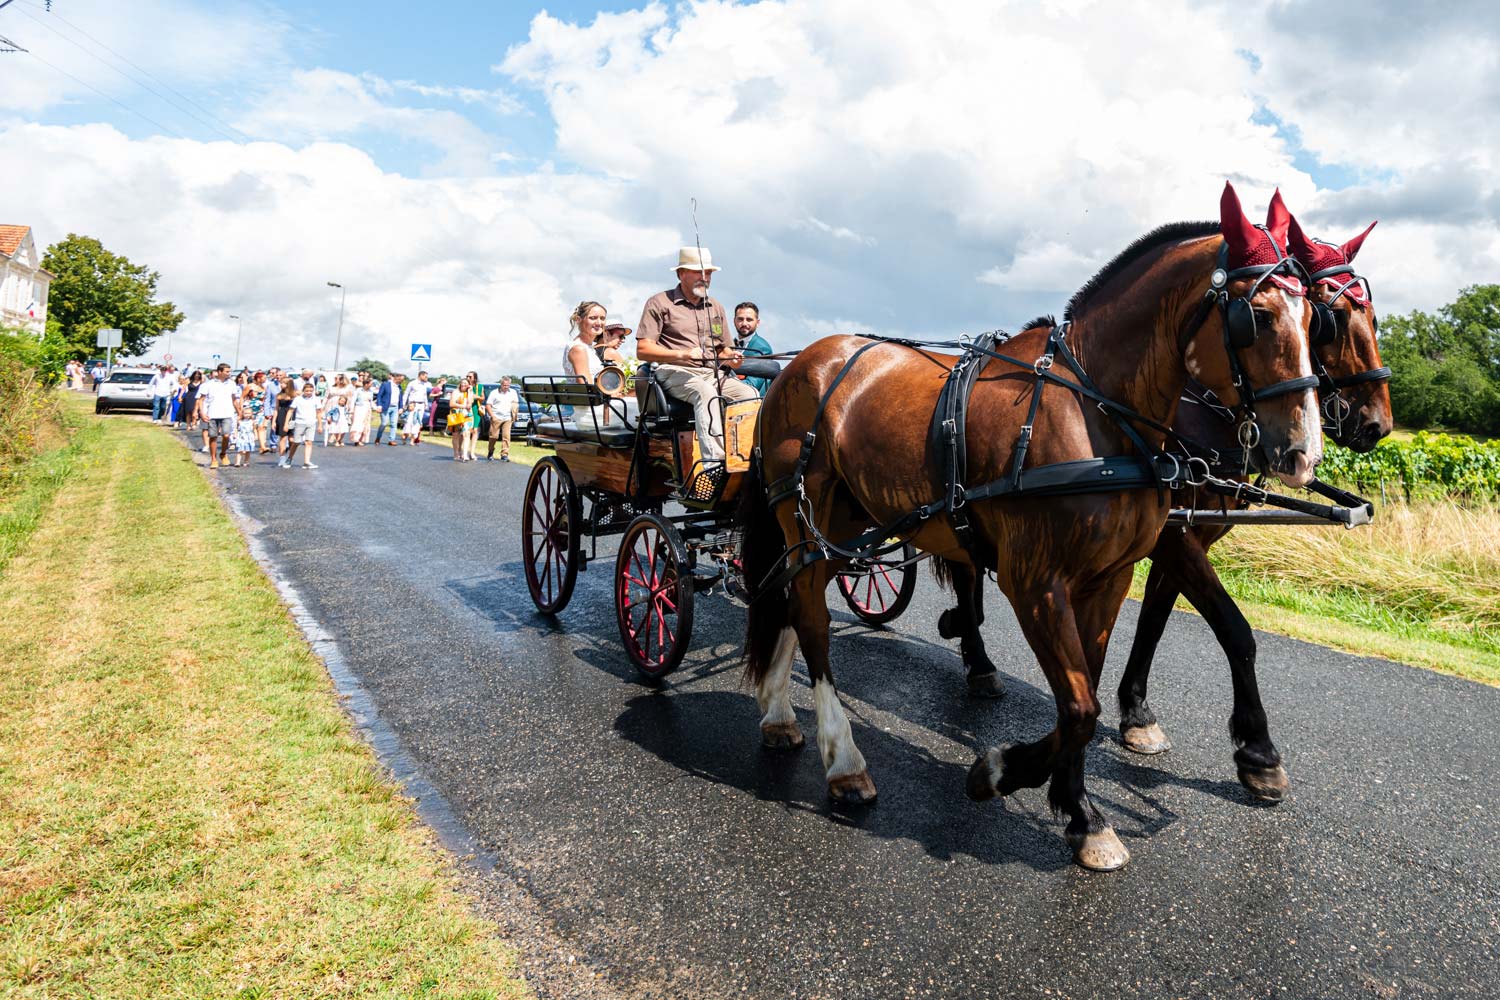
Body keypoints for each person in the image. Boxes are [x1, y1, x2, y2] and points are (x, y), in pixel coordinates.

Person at [635, 246, 757, 468]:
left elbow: (722, 350)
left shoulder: (715, 307)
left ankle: (744, 457)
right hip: (672, 371)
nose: (706, 278)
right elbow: (643, 349)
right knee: (705, 392)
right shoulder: (660, 303)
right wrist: (682, 353)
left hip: (710, 372)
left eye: (709, 273)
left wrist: (732, 358)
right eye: (699, 273)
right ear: (681, 273)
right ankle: (714, 464)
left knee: (749, 393)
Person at [564, 301, 608, 426]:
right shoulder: (579, 349)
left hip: (595, 406)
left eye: (602, 318)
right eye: (593, 318)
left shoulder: (588, 348)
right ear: (579, 319)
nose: (599, 323)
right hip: (590, 412)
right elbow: (587, 388)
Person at [197, 363, 243, 470]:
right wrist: (202, 413)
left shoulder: (231, 384)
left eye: (229, 371)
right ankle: (213, 459)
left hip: (227, 413)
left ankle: (223, 453)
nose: (229, 373)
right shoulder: (209, 384)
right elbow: (201, 400)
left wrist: (239, 412)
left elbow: (234, 399)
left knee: (226, 435)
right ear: (219, 372)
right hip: (212, 414)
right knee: (213, 436)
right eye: (227, 371)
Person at [731, 302, 774, 397]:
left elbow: (752, 384)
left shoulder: (762, 348)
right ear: (734, 321)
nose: (744, 323)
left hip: (750, 402)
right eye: (740, 319)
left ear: (757, 323)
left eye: (749, 320)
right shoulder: (729, 345)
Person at [281, 381, 322, 469]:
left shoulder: (316, 399)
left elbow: (319, 412)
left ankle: (306, 462)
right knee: (296, 442)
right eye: (307, 391)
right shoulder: (298, 399)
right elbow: (290, 411)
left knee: (309, 442)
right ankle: (289, 458)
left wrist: (320, 425)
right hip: (300, 423)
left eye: (311, 391)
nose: (309, 393)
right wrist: (286, 424)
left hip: (311, 423)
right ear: (303, 390)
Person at [485, 375, 521, 462]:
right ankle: (490, 452)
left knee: (506, 437)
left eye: (508, 385)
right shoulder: (494, 392)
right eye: (504, 385)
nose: (506, 387)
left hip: (508, 418)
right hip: (496, 417)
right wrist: (492, 416)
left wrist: (515, 415)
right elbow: (488, 405)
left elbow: (515, 404)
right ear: (501, 384)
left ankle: (504, 454)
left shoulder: (513, 392)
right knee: (493, 436)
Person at [446, 377, 475, 460]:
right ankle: (456, 453)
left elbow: (469, 404)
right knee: (456, 435)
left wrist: (469, 391)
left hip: (467, 416)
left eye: (465, 383)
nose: (463, 385)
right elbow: (451, 404)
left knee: (467, 434)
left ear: (469, 385)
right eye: (462, 383)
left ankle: (465, 454)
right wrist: (463, 406)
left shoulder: (470, 393)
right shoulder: (456, 392)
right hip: (457, 415)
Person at [404, 371, 433, 444]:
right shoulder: (412, 383)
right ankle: (405, 434)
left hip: (421, 405)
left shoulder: (424, 385)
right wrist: (404, 405)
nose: (427, 378)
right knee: (409, 420)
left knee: (418, 422)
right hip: (413, 403)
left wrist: (426, 405)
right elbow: (406, 394)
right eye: (425, 376)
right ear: (421, 376)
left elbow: (424, 396)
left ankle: (413, 439)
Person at [373, 372, 402, 445]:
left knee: (394, 424)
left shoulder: (399, 387)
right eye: (401, 379)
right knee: (384, 423)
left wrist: (401, 407)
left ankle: (391, 440)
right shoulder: (386, 384)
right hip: (386, 407)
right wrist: (379, 405)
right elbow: (379, 395)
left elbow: (400, 398)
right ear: (396, 378)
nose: (402, 381)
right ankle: (378, 437)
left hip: (395, 407)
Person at [324, 374, 351, 446]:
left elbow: (349, 397)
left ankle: (339, 439)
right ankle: (333, 436)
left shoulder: (346, 388)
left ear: (341, 380)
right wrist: (322, 405)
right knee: (333, 421)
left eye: (337, 378)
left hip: (342, 405)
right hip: (331, 405)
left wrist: (348, 406)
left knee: (342, 422)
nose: (335, 380)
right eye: (335, 378)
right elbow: (326, 397)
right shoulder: (331, 387)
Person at [272, 381, 296, 463]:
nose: (281, 384)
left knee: (292, 439)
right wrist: (274, 421)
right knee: (282, 437)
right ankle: (282, 457)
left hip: (293, 416)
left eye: (284, 383)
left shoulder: (295, 394)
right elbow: (276, 408)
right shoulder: (279, 395)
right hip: (281, 415)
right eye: (281, 383)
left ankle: (290, 455)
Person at [349, 374, 373, 446]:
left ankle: (361, 439)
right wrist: (352, 409)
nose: (371, 385)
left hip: (367, 408)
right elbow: (353, 400)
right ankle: (356, 439)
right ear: (366, 384)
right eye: (370, 384)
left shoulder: (370, 392)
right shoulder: (358, 390)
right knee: (358, 423)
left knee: (365, 424)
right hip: (359, 408)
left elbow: (371, 402)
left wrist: (376, 408)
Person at [463, 370, 482, 460]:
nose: (468, 378)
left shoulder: (479, 387)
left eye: (470, 377)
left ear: (475, 378)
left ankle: (472, 452)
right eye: (467, 376)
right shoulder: (463, 386)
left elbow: (482, 398)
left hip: (475, 409)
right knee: (466, 431)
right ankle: (463, 451)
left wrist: (476, 396)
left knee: (475, 431)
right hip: (466, 409)